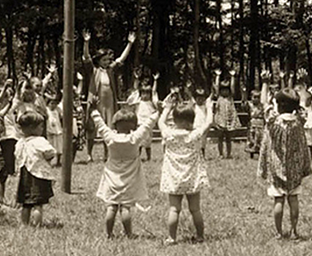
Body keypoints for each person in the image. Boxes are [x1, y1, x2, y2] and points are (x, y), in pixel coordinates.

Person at [89, 100, 160, 239]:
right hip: (129, 179)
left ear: (115, 125)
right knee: (125, 208)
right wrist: (158, 112)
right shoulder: (135, 138)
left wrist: (94, 110)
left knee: (111, 207)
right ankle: (129, 233)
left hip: (111, 178)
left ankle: (109, 234)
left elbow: (100, 124)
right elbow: (148, 125)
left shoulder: (110, 137)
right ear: (134, 125)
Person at [159, 92, 214, 245]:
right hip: (192, 178)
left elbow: (160, 123)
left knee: (174, 209)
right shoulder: (194, 135)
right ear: (192, 120)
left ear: (174, 120)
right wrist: (209, 107)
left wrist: (167, 108)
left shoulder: (169, 134)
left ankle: (172, 237)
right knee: (195, 209)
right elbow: (209, 122)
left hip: (174, 178)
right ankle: (200, 236)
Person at [258, 86, 312, 240]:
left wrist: (265, 84)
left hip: (276, 168)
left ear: (278, 105)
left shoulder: (273, 122)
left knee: (278, 200)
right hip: (295, 168)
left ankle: (279, 233)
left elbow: (264, 105)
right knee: (293, 200)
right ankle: (294, 231)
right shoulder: (299, 121)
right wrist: (302, 86)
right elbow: (303, 107)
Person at [82, 30, 136, 162]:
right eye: (104, 60)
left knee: (109, 129)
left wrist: (130, 44)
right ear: (99, 60)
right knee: (92, 128)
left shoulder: (111, 70)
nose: (106, 62)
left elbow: (121, 58)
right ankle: (89, 154)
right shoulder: (93, 70)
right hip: (96, 102)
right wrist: (86, 42)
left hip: (110, 103)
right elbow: (86, 56)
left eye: (107, 60)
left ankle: (107, 154)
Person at [15, 110, 56, 226]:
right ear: (33, 128)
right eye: (41, 126)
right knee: (38, 203)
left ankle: (24, 224)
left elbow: (17, 155)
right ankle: (37, 224)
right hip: (38, 175)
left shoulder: (20, 143)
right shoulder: (40, 141)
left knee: (26, 203)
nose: (42, 128)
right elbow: (50, 152)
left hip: (25, 176)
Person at [213, 69, 241, 159]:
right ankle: (220, 154)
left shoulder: (230, 97)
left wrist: (232, 77)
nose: (225, 92)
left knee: (229, 139)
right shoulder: (219, 97)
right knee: (220, 138)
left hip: (229, 120)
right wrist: (217, 76)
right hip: (221, 120)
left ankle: (229, 154)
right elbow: (216, 87)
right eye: (223, 90)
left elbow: (233, 87)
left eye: (226, 90)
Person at [45, 95, 63, 167]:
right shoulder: (46, 110)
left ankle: (58, 161)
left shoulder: (57, 111)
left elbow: (61, 118)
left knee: (59, 148)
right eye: (51, 103)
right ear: (48, 104)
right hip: (50, 131)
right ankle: (50, 163)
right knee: (50, 148)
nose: (53, 105)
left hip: (58, 130)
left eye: (55, 103)